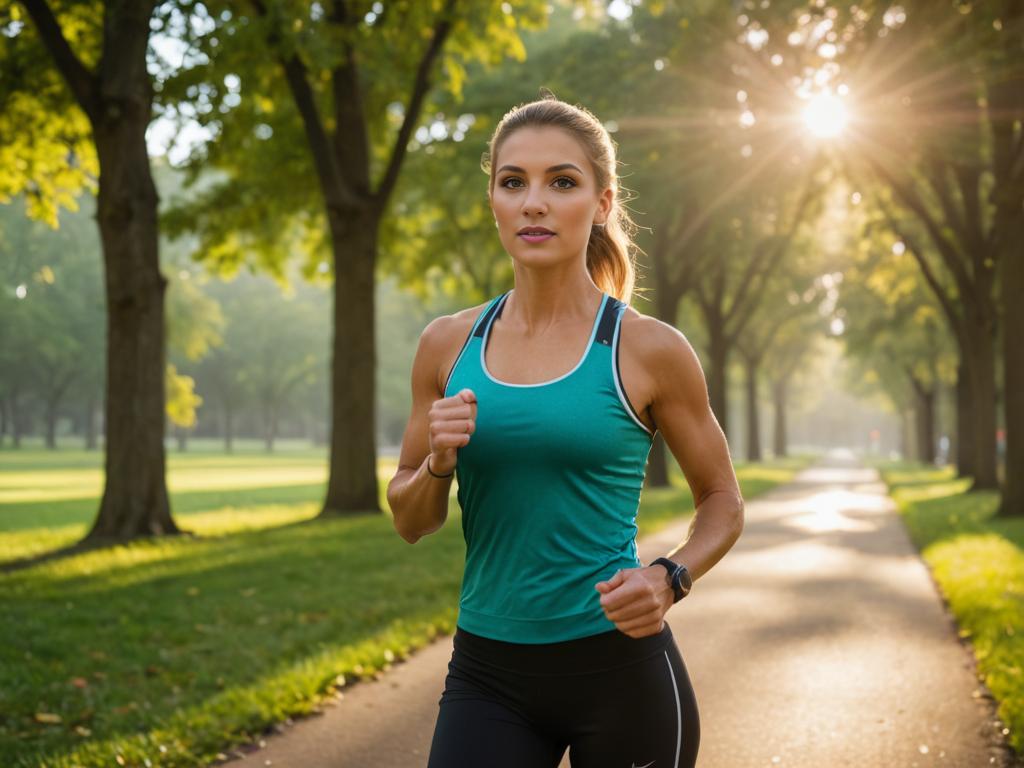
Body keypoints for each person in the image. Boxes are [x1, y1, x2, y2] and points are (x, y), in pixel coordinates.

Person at [386, 93, 744, 768]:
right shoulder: (446, 346)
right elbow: (410, 521)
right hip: (486, 674)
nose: (534, 202)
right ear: (492, 199)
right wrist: (437, 460)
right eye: (513, 182)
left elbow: (723, 502)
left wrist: (671, 577)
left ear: (602, 203)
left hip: (621, 672)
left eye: (563, 182)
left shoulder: (648, 349)